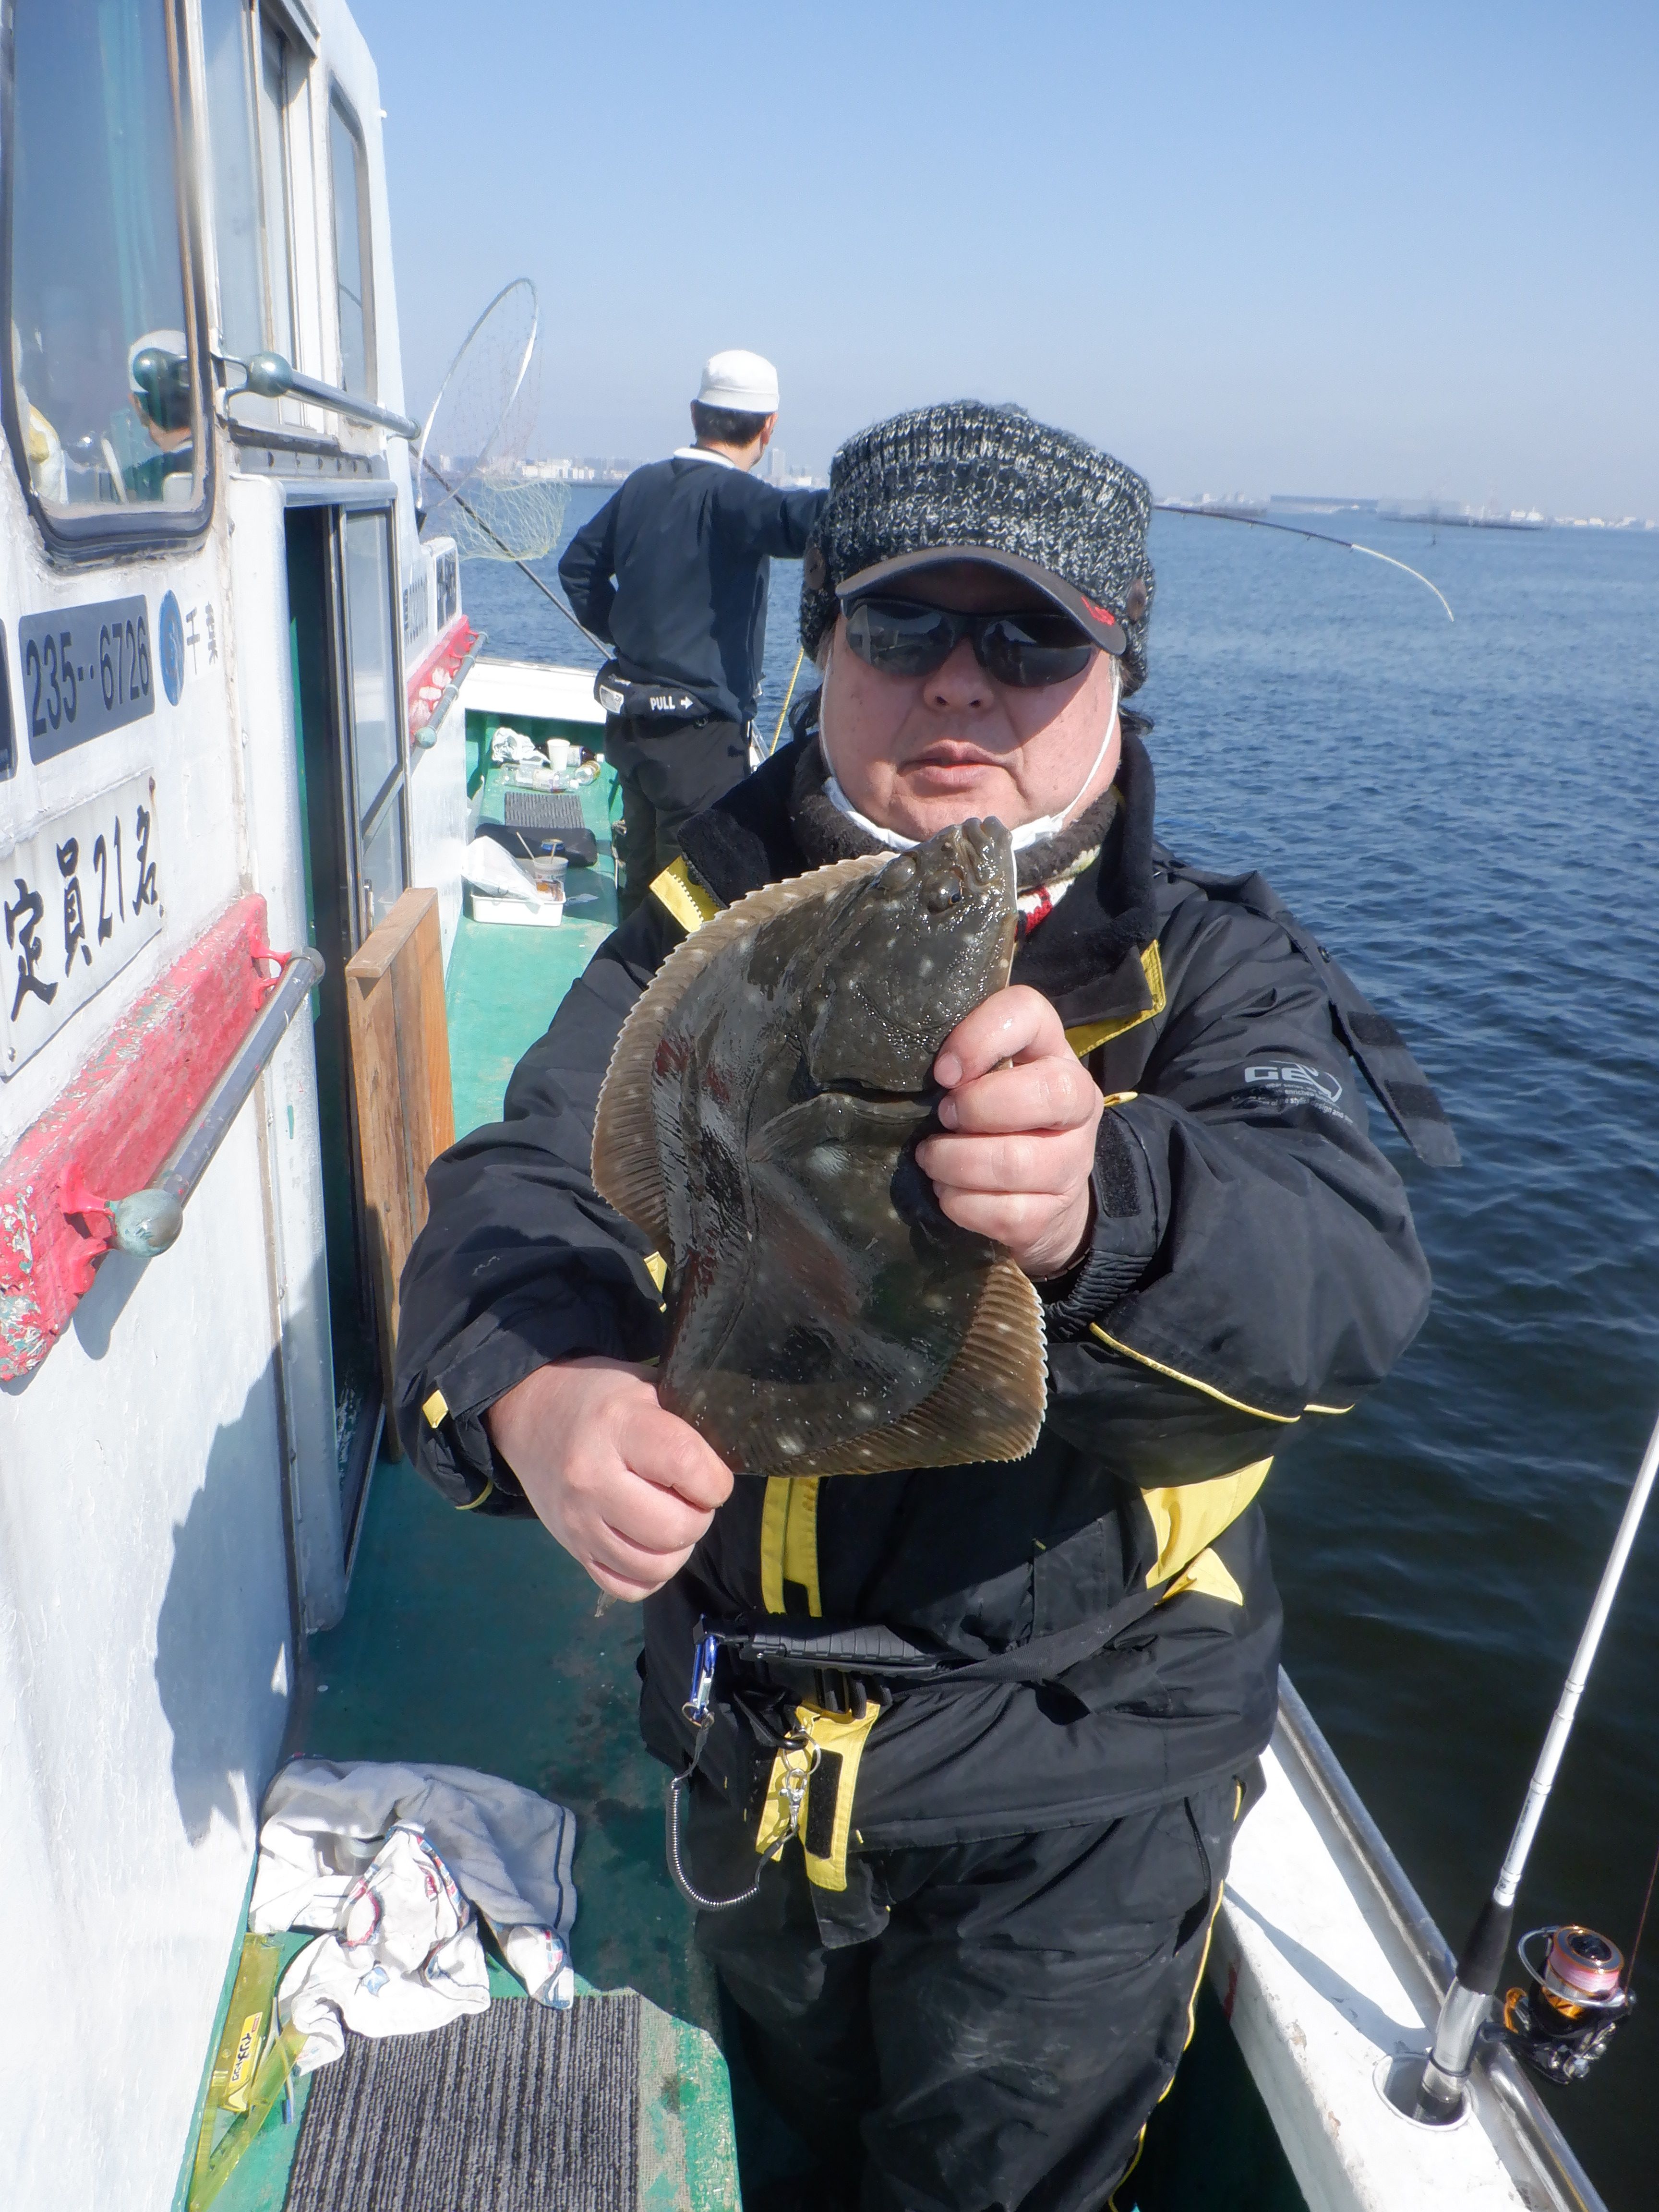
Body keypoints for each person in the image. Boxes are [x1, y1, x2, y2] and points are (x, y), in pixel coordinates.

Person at [398, 402, 1447, 2212]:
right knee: (782, 2149)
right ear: (821, 646)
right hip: (740, 1734)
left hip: (1072, 1789)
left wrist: (1103, 1201)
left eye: (1032, 636)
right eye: (901, 624)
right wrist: (541, 1391)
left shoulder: (1216, 968)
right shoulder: (695, 929)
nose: (962, 681)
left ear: (1118, 669)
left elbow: (1346, 1270)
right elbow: (521, 1183)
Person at [558, 349, 827, 913]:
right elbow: (798, 520)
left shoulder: (643, 485)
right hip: (698, 745)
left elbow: (578, 568)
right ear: (769, 427)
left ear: (695, 414)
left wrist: (630, 635)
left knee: (640, 887)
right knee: (691, 907)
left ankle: (626, 965)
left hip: (632, 728)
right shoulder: (733, 493)